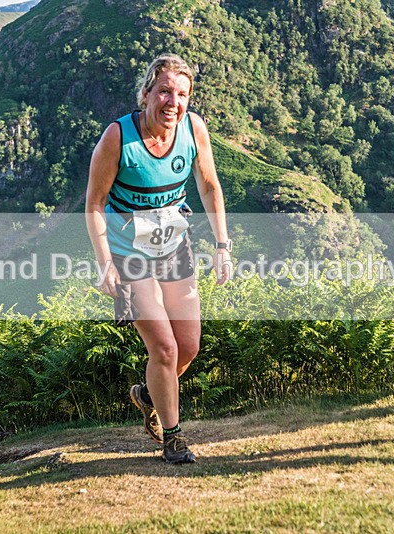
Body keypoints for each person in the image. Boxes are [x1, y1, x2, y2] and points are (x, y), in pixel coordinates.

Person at [85, 53, 231, 464]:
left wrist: (222, 245)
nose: (173, 102)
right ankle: (173, 437)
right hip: (128, 254)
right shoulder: (118, 137)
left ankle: (150, 394)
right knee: (164, 348)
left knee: (188, 346)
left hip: (174, 248)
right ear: (146, 93)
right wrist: (104, 262)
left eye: (182, 94)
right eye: (165, 91)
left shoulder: (193, 128)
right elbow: (94, 203)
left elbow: (209, 186)